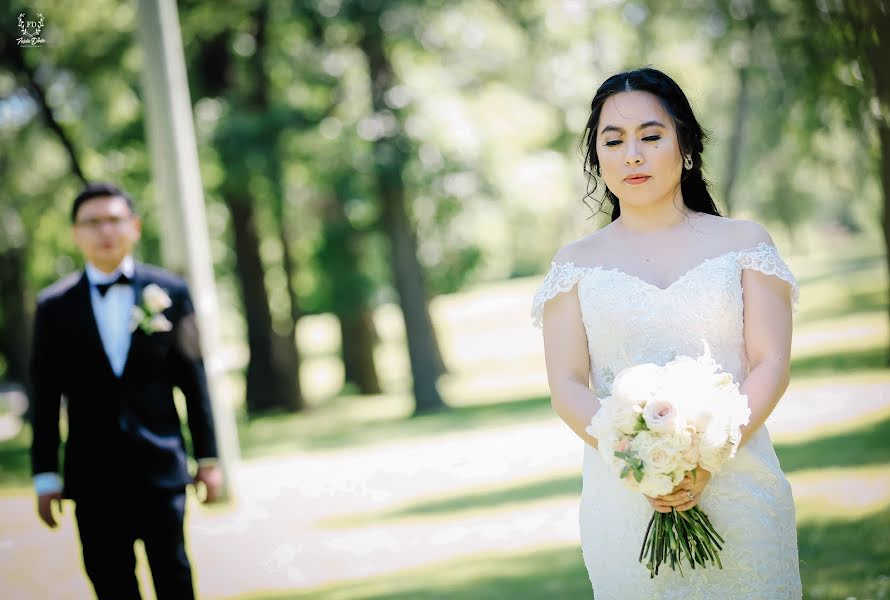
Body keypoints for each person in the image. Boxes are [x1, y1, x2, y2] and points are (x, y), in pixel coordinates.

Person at [531, 68, 802, 598]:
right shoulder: (574, 266)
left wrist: (708, 457)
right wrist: (638, 464)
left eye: (650, 136)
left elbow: (770, 362)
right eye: (614, 141)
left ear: (686, 145)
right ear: (597, 158)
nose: (632, 154)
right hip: (624, 498)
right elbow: (567, 383)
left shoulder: (743, 243)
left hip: (739, 483)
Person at [30, 182, 223, 599]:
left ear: (134, 227)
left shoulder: (171, 292)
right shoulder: (53, 307)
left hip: (161, 469)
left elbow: (195, 382)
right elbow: (44, 397)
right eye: (93, 222)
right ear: (75, 233)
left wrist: (208, 457)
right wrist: (45, 474)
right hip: (92, 475)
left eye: (115, 220)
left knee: (174, 576)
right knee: (110, 582)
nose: (106, 231)